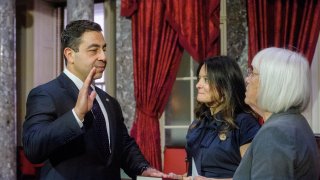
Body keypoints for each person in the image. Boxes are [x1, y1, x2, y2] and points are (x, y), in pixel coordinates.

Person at [22, 20, 169, 180]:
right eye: (94, 50)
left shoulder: (109, 101)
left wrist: (143, 168)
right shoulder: (45, 94)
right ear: (70, 55)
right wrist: (76, 115)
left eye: (104, 49)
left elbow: (123, 145)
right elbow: (33, 149)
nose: (103, 57)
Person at [233, 47, 320, 179]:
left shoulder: (275, 133)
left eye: (253, 73)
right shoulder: (293, 122)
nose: (247, 79)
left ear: (272, 83)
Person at [183, 56, 261, 179]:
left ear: (225, 84)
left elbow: (252, 176)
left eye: (206, 79)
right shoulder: (196, 125)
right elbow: (196, 173)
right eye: (199, 79)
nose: (198, 85)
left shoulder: (245, 123)